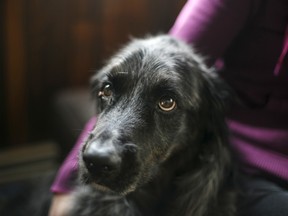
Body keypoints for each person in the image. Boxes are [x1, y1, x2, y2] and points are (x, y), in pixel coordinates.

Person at [49, 0, 288, 215]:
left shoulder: (206, 122)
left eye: (166, 102)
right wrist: (64, 188)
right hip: (248, 154)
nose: (99, 152)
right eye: (108, 90)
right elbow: (165, 56)